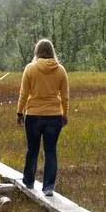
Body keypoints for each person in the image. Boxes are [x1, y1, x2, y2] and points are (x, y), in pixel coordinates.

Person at [17, 38, 69, 196]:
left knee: (32, 149)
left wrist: (19, 112)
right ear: (52, 51)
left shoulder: (30, 69)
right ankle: (48, 187)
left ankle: (29, 182)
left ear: (37, 52)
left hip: (33, 115)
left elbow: (24, 94)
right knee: (51, 150)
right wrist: (64, 114)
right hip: (54, 116)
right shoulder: (60, 70)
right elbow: (65, 97)